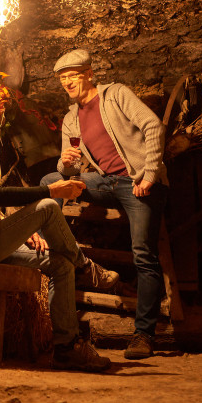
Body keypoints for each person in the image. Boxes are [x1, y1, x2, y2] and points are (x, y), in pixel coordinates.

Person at [0, 92, 118, 372]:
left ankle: (67, 348)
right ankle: (86, 267)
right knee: (47, 206)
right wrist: (52, 190)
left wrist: (22, 229)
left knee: (59, 264)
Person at [41, 48, 169, 360]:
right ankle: (63, 253)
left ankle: (144, 335)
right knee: (49, 180)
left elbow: (153, 127)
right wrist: (66, 163)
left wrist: (149, 174)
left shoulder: (115, 96)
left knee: (143, 254)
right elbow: (68, 171)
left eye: (73, 76)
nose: (68, 82)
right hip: (105, 183)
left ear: (88, 74)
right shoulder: (71, 120)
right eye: (62, 79)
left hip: (137, 181)